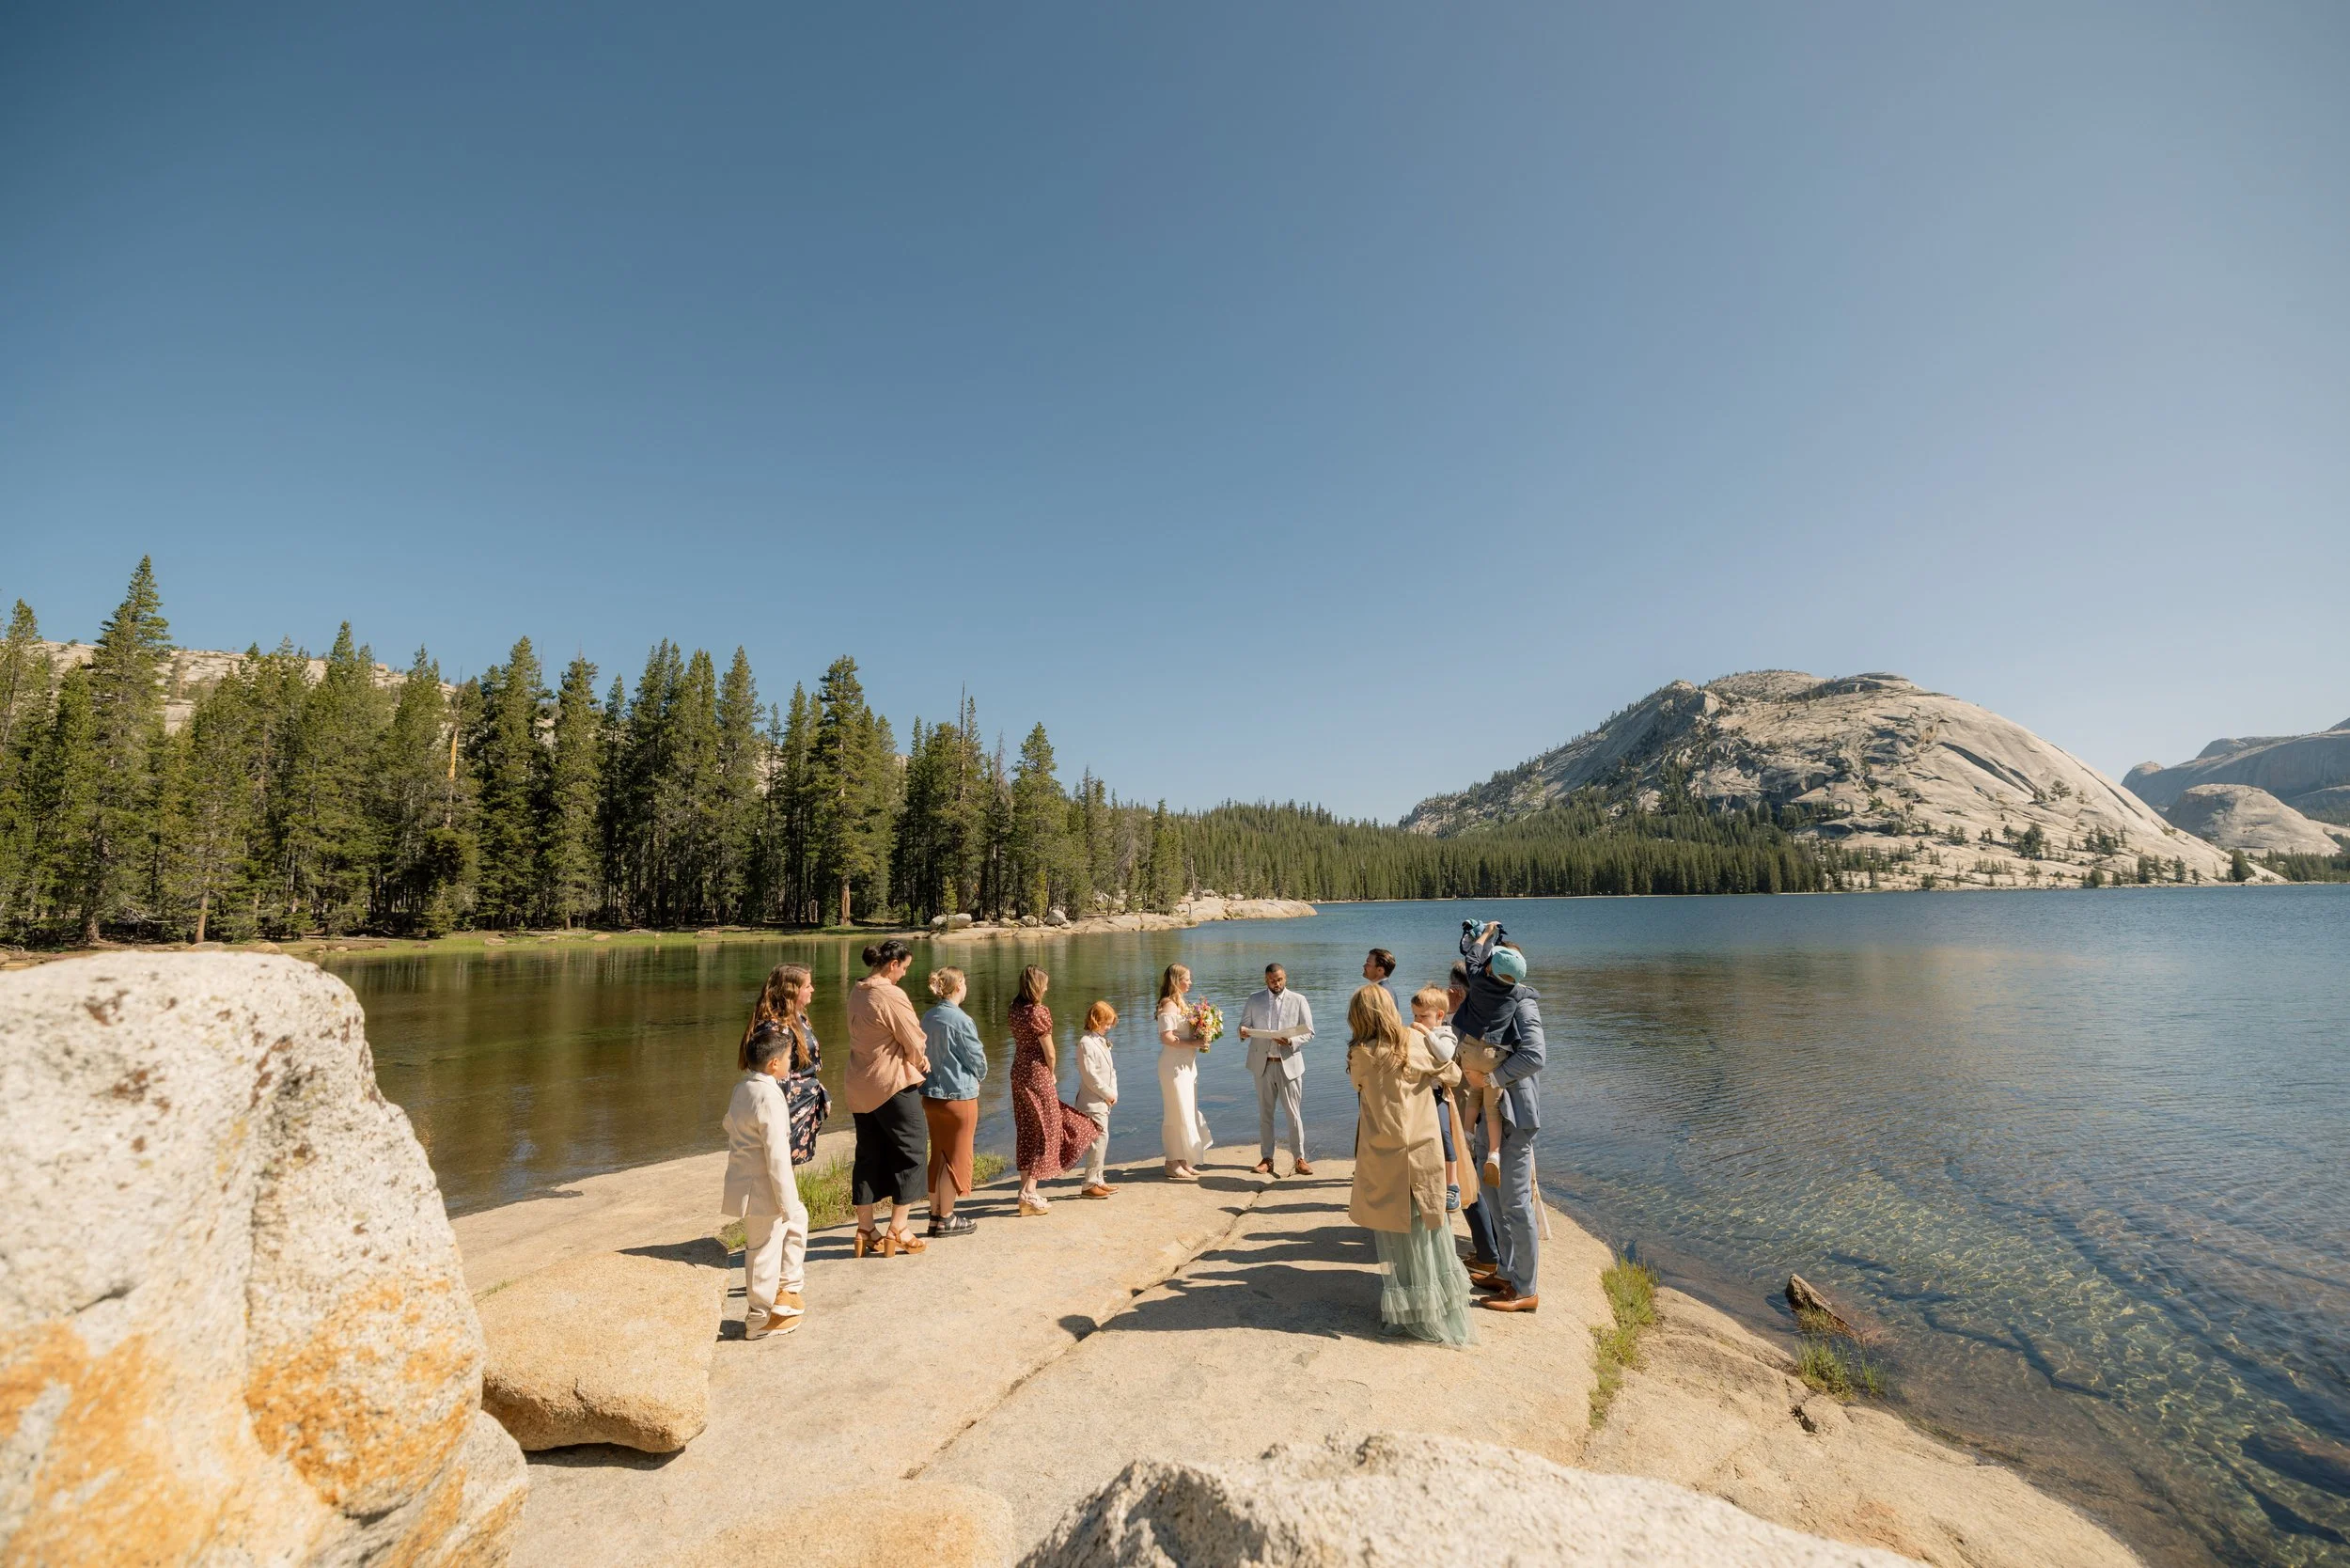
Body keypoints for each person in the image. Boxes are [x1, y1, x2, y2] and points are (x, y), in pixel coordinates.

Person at [1345, 983, 1474, 1345]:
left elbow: (1359, 1085)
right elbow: (1453, 1075)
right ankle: (1437, 1309)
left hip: (1383, 1153)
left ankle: (1409, 1310)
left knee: (1397, 1236)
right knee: (1429, 1232)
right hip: (1421, 1149)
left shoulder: (1359, 1053)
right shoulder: (1412, 1041)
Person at [1456, 921, 1546, 1312]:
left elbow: (1535, 1056)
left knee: (1515, 1203)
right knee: (1492, 1198)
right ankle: (1507, 1274)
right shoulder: (1489, 990)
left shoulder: (1524, 1002)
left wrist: (1489, 1077)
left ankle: (1526, 1289)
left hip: (1513, 1114)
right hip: (1483, 1110)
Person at [846, 939, 932, 1258]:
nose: (904, 975)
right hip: (891, 1083)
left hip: (859, 1084)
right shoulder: (889, 994)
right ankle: (899, 1227)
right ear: (892, 964)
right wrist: (920, 1059)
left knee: (868, 1154)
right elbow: (913, 1037)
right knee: (912, 1150)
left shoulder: (858, 991)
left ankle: (865, 1229)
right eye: (904, 968)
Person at [721, 1027, 807, 1340]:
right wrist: (786, 1200)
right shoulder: (769, 1094)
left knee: (794, 1224)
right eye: (788, 1058)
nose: (791, 1063)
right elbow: (777, 1152)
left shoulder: (742, 1088)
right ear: (773, 1063)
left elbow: (729, 1123)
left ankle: (786, 1293)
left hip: (747, 1180)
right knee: (763, 1250)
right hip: (764, 1186)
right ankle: (758, 1320)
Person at [1008, 965, 1100, 1215]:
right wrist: (1051, 1071)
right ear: (1037, 986)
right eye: (1045, 984)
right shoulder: (1038, 1012)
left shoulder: (1015, 1009)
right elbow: (1049, 1051)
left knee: (1027, 1128)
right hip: (1037, 1073)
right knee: (1047, 1129)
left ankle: (1024, 1192)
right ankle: (1029, 1192)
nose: (1047, 988)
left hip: (1018, 1070)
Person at [919, 966, 987, 1238]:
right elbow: (976, 1058)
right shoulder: (960, 1020)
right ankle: (947, 1217)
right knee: (956, 1156)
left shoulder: (928, 1016)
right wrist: (980, 1076)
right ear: (958, 986)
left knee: (937, 1154)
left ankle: (935, 1216)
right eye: (965, 982)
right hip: (959, 1095)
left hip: (930, 1095)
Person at [740, 962, 826, 1167]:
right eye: (807, 986)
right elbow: (771, 1074)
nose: (812, 989)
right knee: (779, 1166)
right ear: (791, 991)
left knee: (786, 1169)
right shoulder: (775, 1027)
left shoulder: (797, 1017)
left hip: (799, 1105)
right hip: (786, 1109)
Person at [1447, 962, 1501, 1276]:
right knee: (1483, 1180)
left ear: (1459, 990)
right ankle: (1492, 1248)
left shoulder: (1461, 1023)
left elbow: (1451, 1067)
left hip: (1465, 1109)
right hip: (1486, 1108)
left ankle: (1487, 1253)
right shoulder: (1490, 1016)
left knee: (1469, 1180)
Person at [1238, 962, 1315, 1177]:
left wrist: (1291, 1041)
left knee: (1293, 1114)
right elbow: (1243, 1026)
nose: (1276, 984)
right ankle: (1267, 1159)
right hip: (1262, 1065)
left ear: (1285, 978)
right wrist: (1243, 1032)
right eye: (1272, 980)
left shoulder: (1299, 1000)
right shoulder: (1254, 999)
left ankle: (1299, 1158)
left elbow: (1309, 1032)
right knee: (1265, 1114)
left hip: (1289, 1064)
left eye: (1280, 979)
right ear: (1266, 980)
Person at [1155, 963, 1213, 1180]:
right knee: (1175, 1111)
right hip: (1173, 1066)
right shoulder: (1168, 1004)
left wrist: (1204, 1035)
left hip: (1187, 1065)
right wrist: (1193, 1043)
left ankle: (1182, 1159)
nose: (1190, 982)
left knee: (1187, 1109)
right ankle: (1171, 1162)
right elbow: (1166, 1037)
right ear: (1176, 981)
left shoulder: (1180, 1002)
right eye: (1186, 979)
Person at [1411, 985, 1464, 1213]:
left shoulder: (1446, 1034)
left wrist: (1426, 1033)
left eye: (1423, 1016)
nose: (1418, 1020)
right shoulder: (1420, 1032)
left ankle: (1453, 1182)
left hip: (1437, 1094)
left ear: (1440, 1015)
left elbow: (1444, 1055)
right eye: (1415, 1015)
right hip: (1418, 1094)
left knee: (1444, 1133)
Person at [1074, 1001, 1120, 1199]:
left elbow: (1111, 1071)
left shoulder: (1101, 1041)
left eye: (1110, 1023)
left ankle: (1099, 1178)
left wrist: (1114, 1092)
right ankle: (1089, 1183)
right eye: (1106, 1023)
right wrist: (1107, 1093)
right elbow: (1090, 1076)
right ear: (1095, 1020)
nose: (1108, 1027)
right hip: (1092, 1101)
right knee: (1097, 1140)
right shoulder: (1085, 1043)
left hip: (1104, 1099)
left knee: (1103, 1139)